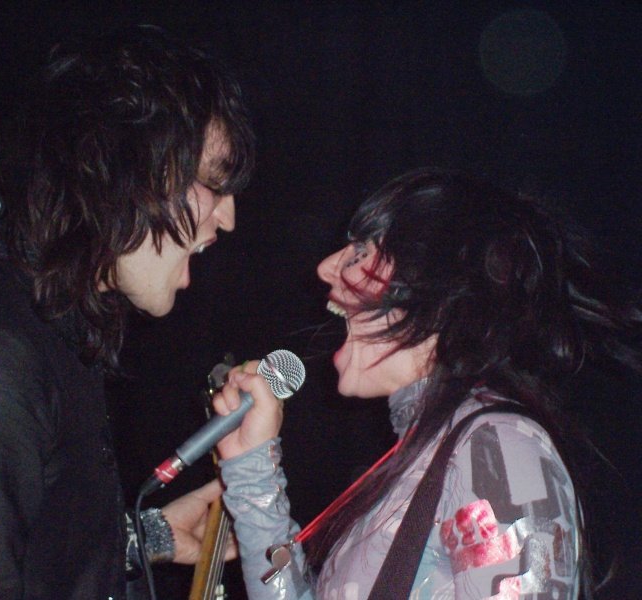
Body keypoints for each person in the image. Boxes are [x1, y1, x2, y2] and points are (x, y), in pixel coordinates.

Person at [0, 25, 254, 599]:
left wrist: (145, 538)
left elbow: (34, 550)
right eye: (213, 183)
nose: (228, 218)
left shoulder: (44, 315)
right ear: (118, 169)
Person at [212, 168, 641, 599]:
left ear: (435, 283)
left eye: (362, 251)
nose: (326, 267)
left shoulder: (499, 448)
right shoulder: (435, 451)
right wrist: (252, 472)